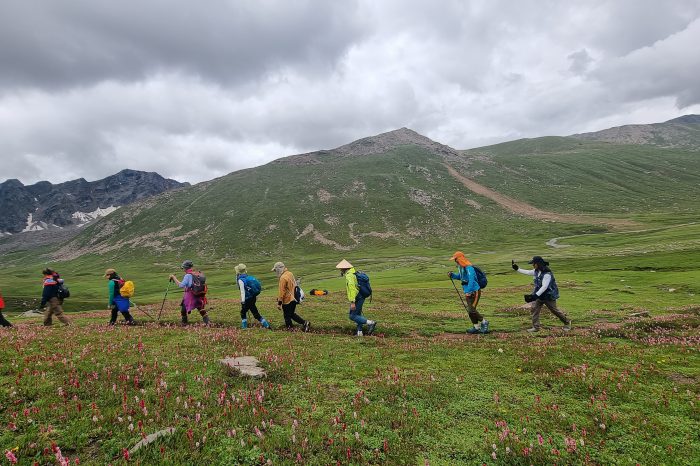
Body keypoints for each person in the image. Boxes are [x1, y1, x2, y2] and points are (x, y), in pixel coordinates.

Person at [512, 256, 571, 332]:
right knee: (534, 309)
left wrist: (535, 296)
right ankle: (536, 327)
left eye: (534, 263)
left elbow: (545, 286)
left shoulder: (547, 274)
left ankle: (567, 322)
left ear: (538, 264)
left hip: (548, 296)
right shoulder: (536, 271)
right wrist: (517, 269)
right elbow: (528, 272)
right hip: (539, 296)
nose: (532, 265)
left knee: (554, 310)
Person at [448, 251, 488, 334]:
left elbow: (472, 280)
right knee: (470, 310)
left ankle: (484, 322)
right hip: (467, 292)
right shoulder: (461, 267)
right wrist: (452, 275)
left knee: (471, 310)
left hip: (474, 291)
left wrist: (469, 291)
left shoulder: (469, 268)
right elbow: (461, 277)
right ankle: (476, 327)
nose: (455, 262)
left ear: (460, 259)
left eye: (456, 260)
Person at [336, 259, 376, 336]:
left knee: (352, 316)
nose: (340, 270)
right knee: (358, 314)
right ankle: (359, 332)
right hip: (360, 295)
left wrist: (352, 302)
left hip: (358, 297)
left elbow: (352, 288)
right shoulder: (353, 272)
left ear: (344, 268)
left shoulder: (349, 275)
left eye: (340, 268)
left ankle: (371, 323)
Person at [272, 261, 310, 331]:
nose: (275, 272)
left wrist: (279, 303)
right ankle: (305, 323)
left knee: (287, 316)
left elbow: (281, 292)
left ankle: (290, 329)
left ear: (278, 269)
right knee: (291, 314)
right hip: (294, 298)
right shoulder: (290, 273)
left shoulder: (282, 278)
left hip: (287, 300)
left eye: (275, 270)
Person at [169, 260, 210, 325]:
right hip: (198, 295)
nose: (183, 269)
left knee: (183, 310)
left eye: (183, 268)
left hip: (190, 296)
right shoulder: (195, 273)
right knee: (201, 309)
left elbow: (181, 285)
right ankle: (208, 323)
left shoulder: (188, 275)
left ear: (185, 268)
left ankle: (184, 323)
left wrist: (174, 278)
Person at [235, 264, 271, 329]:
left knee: (243, 313)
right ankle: (267, 325)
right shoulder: (247, 277)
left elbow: (242, 292)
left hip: (247, 299)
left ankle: (244, 327)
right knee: (255, 313)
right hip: (253, 298)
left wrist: (243, 302)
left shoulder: (241, 280)